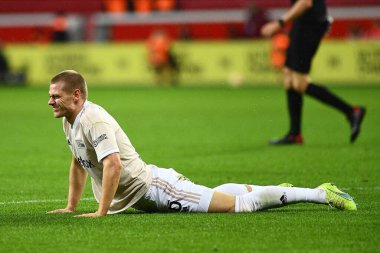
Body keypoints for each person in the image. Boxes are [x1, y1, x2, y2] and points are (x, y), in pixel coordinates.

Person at [47, 70, 357, 217]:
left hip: (156, 189)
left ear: (77, 95)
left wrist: (100, 212)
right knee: (219, 195)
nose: (50, 101)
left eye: (55, 96)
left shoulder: (93, 119)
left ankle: (318, 193)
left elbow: (112, 164)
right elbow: (79, 162)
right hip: (144, 193)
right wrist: (71, 206)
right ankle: (274, 190)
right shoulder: (69, 121)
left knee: (239, 207)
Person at [261, 0, 366, 145]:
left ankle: (351, 111)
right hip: (302, 23)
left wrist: (279, 23)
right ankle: (294, 134)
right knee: (289, 77)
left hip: (308, 25)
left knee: (299, 82)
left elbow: (305, 2)